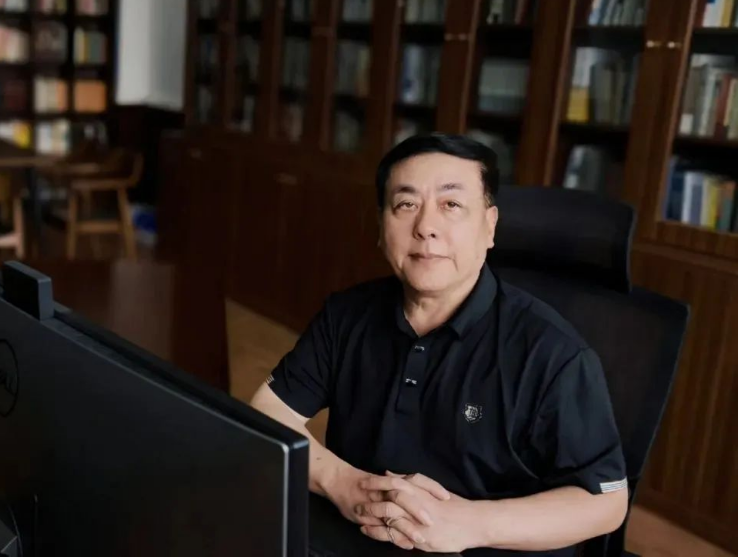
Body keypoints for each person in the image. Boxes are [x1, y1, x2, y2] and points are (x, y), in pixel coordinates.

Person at [250, 133, 628, 555]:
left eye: (451, 205)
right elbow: (268, 410)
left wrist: (469, 524)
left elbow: (606, 502)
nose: (426, 227)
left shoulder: (554, 354)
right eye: (406, 204)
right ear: (381, 227)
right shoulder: (347, 314)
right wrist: (342, 483)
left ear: (489, 226)